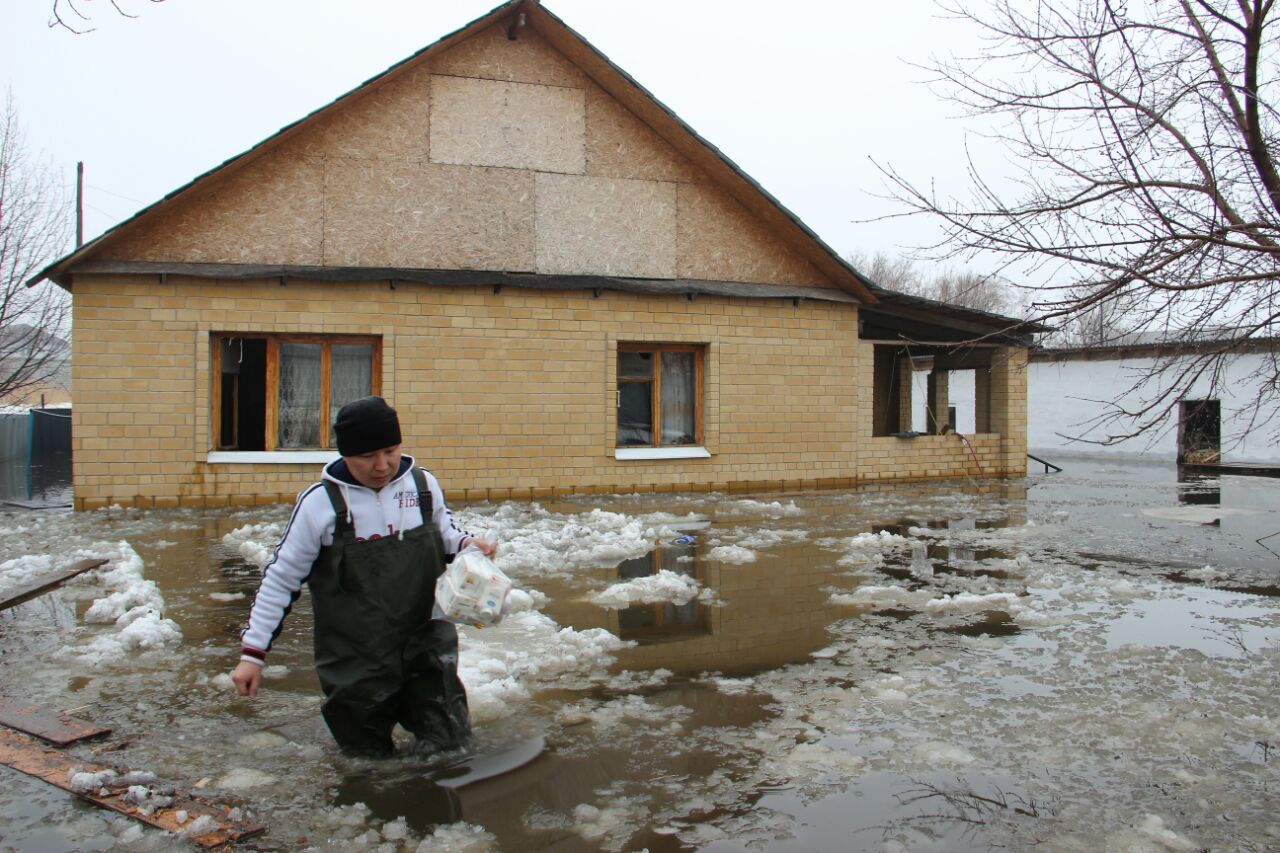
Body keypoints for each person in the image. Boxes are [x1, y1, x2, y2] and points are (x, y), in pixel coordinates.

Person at [231, 396, 496, 757]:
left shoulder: (422, 487)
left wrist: (467, 544)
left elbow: (445, 534)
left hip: (425, 645)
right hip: (355, 659)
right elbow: (281, 580)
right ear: (345, 455)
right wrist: (253, 654)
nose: (382, 465)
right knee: (367, 765)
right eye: (367, 456)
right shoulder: (319, 505)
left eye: (390, 451)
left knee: (451, 748)